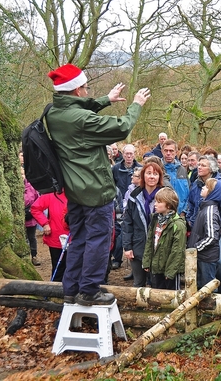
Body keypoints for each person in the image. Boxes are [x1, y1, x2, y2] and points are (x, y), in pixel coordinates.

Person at [47, 63, 150, 305]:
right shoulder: (81, 120)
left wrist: (106, 99)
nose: (87, 91)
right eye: (85, 87)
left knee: (79, 240)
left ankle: (71, 289)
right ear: (76, 90)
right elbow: (122, 127)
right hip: (94, 190)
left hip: (74, 191)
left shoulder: (53, 112)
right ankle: (90, 290)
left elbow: (76, 108)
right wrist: (136, 105)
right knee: (99, 241)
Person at [123, 162, 166, 287]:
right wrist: (127, 247)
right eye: (148, 173)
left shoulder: (166, 195)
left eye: (155, 174)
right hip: (138, 245)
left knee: (157, 284)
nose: (152, 177)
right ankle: (138, 307)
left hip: (159, 247)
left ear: (159, 177)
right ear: (143, 176)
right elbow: (127, 223)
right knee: (138, 283)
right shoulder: (134, 196)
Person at [142, 187, 187, 289]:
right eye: (155, 201)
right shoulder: (155, 220)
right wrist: (147, 262)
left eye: (159, 202)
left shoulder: (178, 225)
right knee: (158, 295)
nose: (155, 204)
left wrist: (170, 272)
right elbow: (150, 242)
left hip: (170, 270)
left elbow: (177, 251)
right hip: (157, 267)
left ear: (168, 204)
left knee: (172, 297)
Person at [187, 178, 221, 289]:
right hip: (202, 256)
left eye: (206, 187)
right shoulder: (205, 207)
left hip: (206, 257)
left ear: (212, 192)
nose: (202, 187)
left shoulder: (210, 210)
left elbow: (211, 237)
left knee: (208, 288)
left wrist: (195, 248)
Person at [30, 190, 70, 281]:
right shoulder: (51, 194)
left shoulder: (78, 193)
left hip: (76, 237)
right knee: (59, 268)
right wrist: (45, 223)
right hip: (56, 238)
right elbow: (35, 208)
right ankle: (56, 291)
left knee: (76, 268)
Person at [161, 139, 189, 214]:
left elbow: (189, 193)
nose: (168, 153)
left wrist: (184, 211)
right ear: (162, 152)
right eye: (166, 151)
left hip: (181, 215)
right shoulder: (158, 169)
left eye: (171, 151)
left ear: (176, 152)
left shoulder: (182, 170)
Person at [23, 172, 40, 266]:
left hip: (31, 216)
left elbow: (37, 198)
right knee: (23, 238)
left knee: (32, 237)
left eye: (22, 174)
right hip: (19, 217)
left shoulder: (31, 187)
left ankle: (34, 256)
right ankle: (24, 257)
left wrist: (33, 209)